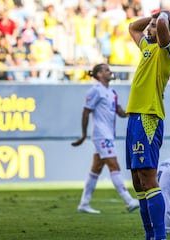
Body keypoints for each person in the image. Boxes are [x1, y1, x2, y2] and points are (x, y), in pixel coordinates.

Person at [125, 10, 170, 240]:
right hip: (135, 116)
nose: (150, 28)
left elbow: (165, 28)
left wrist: (163, 17)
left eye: (155, 26)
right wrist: (152, 17)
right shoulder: (147, 47)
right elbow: (133, 28)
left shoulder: (167, 52)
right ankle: (150, 235)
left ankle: (160, 236)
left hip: (148, 116)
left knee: (148, 177)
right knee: (138, 182)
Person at [72, 63, 139, 214]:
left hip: (108, 134)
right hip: (101, 134)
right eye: (107, 70)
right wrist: (84, 134)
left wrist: (133, 111)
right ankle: (129, 201)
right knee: (114, 165)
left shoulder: (113, 92)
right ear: (99, 74)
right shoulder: (95, 91)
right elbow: (85, 112)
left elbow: (120, 112)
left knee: (96, 169)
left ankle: (84, 203)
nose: (110, 72)